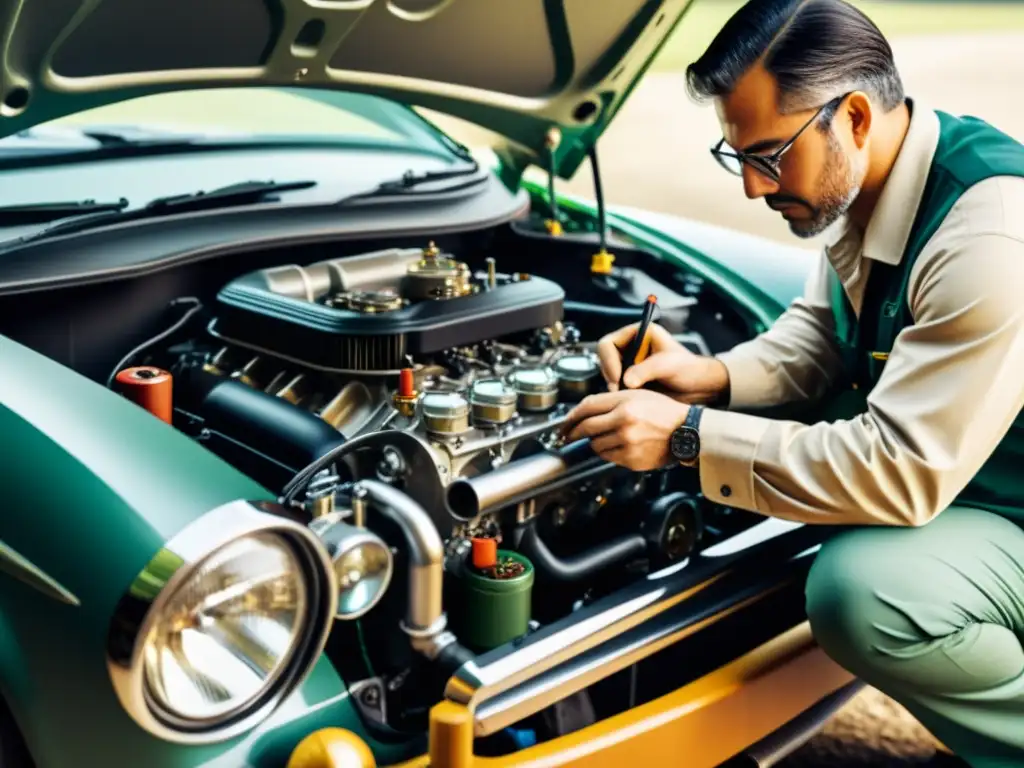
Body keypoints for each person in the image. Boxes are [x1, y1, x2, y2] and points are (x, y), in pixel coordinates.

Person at [558, 0, 1024, 764]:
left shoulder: (992, 235)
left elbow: (898, 474)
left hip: (1002, 507)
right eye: (735, 155)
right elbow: (824, 337)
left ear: (856, 118)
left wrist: (683, 438)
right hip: (976, 481)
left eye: (769, 156)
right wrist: (708, 377)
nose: (750, 187)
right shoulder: (863, 181)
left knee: (864, 595)